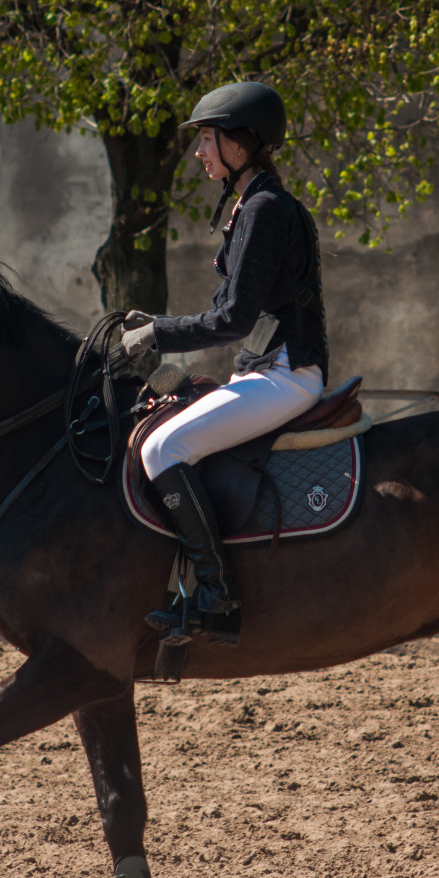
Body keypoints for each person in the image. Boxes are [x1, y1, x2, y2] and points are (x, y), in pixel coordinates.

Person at [120, 80, 329, 646]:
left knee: (162, 448)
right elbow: (230, 314)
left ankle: (217, 594)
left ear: (242, 142)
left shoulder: (264, 208)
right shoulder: (253, 204)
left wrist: (156, 334)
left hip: (287, 374)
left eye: (207, 139)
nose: (199, 152)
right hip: (265, 368)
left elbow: (233, 319)